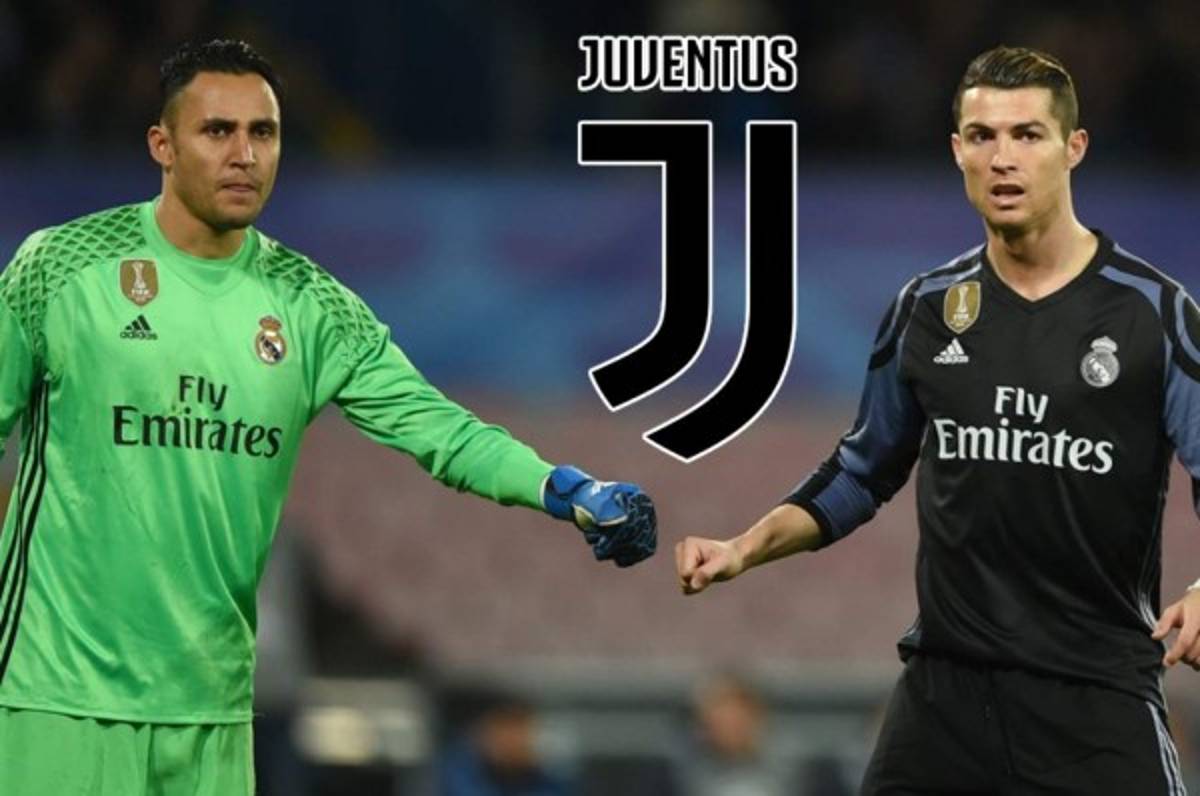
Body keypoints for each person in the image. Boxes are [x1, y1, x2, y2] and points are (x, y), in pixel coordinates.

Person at [0, 39, 656, 796]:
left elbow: (441, 431)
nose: (244, 155)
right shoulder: (62, 269)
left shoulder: (312, 307)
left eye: (264, 132)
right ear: (163, 145)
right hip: (59, 696)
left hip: (212, 712)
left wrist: (566, 489)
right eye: (217, 131)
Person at [676, 45, 1197, 794]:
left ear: (1074, 147)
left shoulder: (1156, 314)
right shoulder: (925, 308)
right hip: (947, 697)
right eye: (983, 136)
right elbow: (861, 472)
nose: (1002, 158)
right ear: (958, 151)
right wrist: (742, 548)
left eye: (1027, 135)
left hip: (1096, 696)